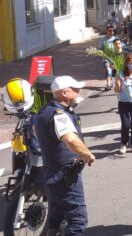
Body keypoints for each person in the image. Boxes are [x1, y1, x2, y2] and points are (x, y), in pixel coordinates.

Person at [35, 76, 96, 235]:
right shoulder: (58, 115)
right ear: (64, 92)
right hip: (65, 175)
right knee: (78, 220)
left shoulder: (44, 112)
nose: (78, 91)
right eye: (74, 89)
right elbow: (70, 139)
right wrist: (87, 154)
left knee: (57, 215)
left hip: (51, 173)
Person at [99, 24, 117, 91]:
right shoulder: (103, 40)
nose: (111, 32)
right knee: (108, 69)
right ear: (106, 31)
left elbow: (121, 47)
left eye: (112, 31)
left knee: (114, 72)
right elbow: (100, 49)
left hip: (115, 59)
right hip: (106, 59)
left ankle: (112, 83)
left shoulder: (116, 39)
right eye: (109, 31)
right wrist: (100, 52)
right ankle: (108, 85)